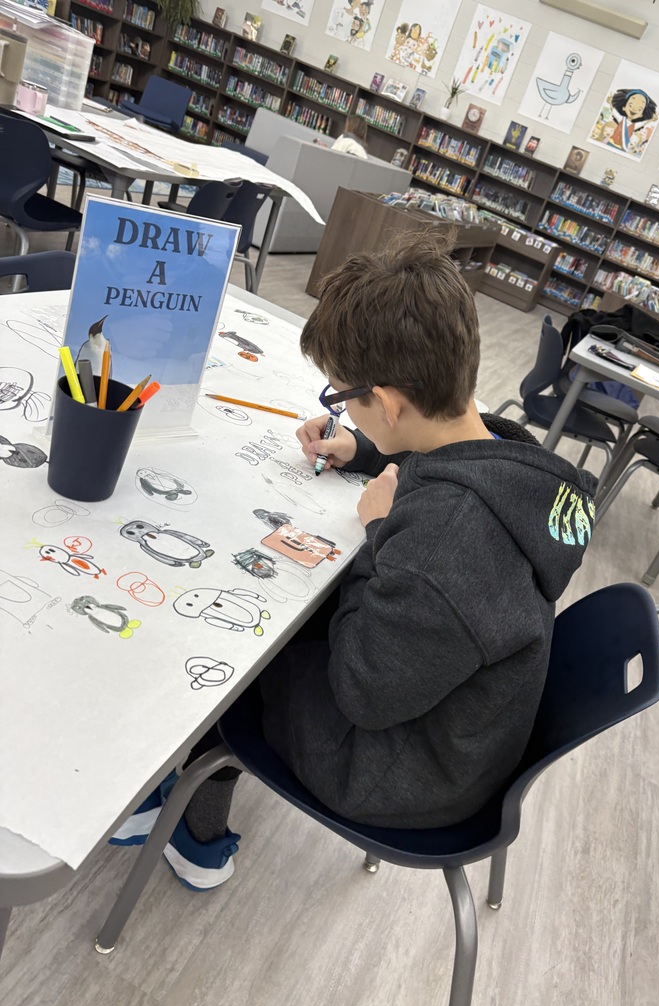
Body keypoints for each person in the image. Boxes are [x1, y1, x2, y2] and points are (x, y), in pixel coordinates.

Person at [110, 234, 597, 890]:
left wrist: (379, 532)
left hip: (402, 772)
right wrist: (367, 451)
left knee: (240, 639)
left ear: (391, 402)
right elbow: (449, 464)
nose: (343, 409)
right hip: (458, 726)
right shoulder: (514, 462)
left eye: (345, 400)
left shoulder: (442, 552)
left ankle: (196, 839)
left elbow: (364, 690)